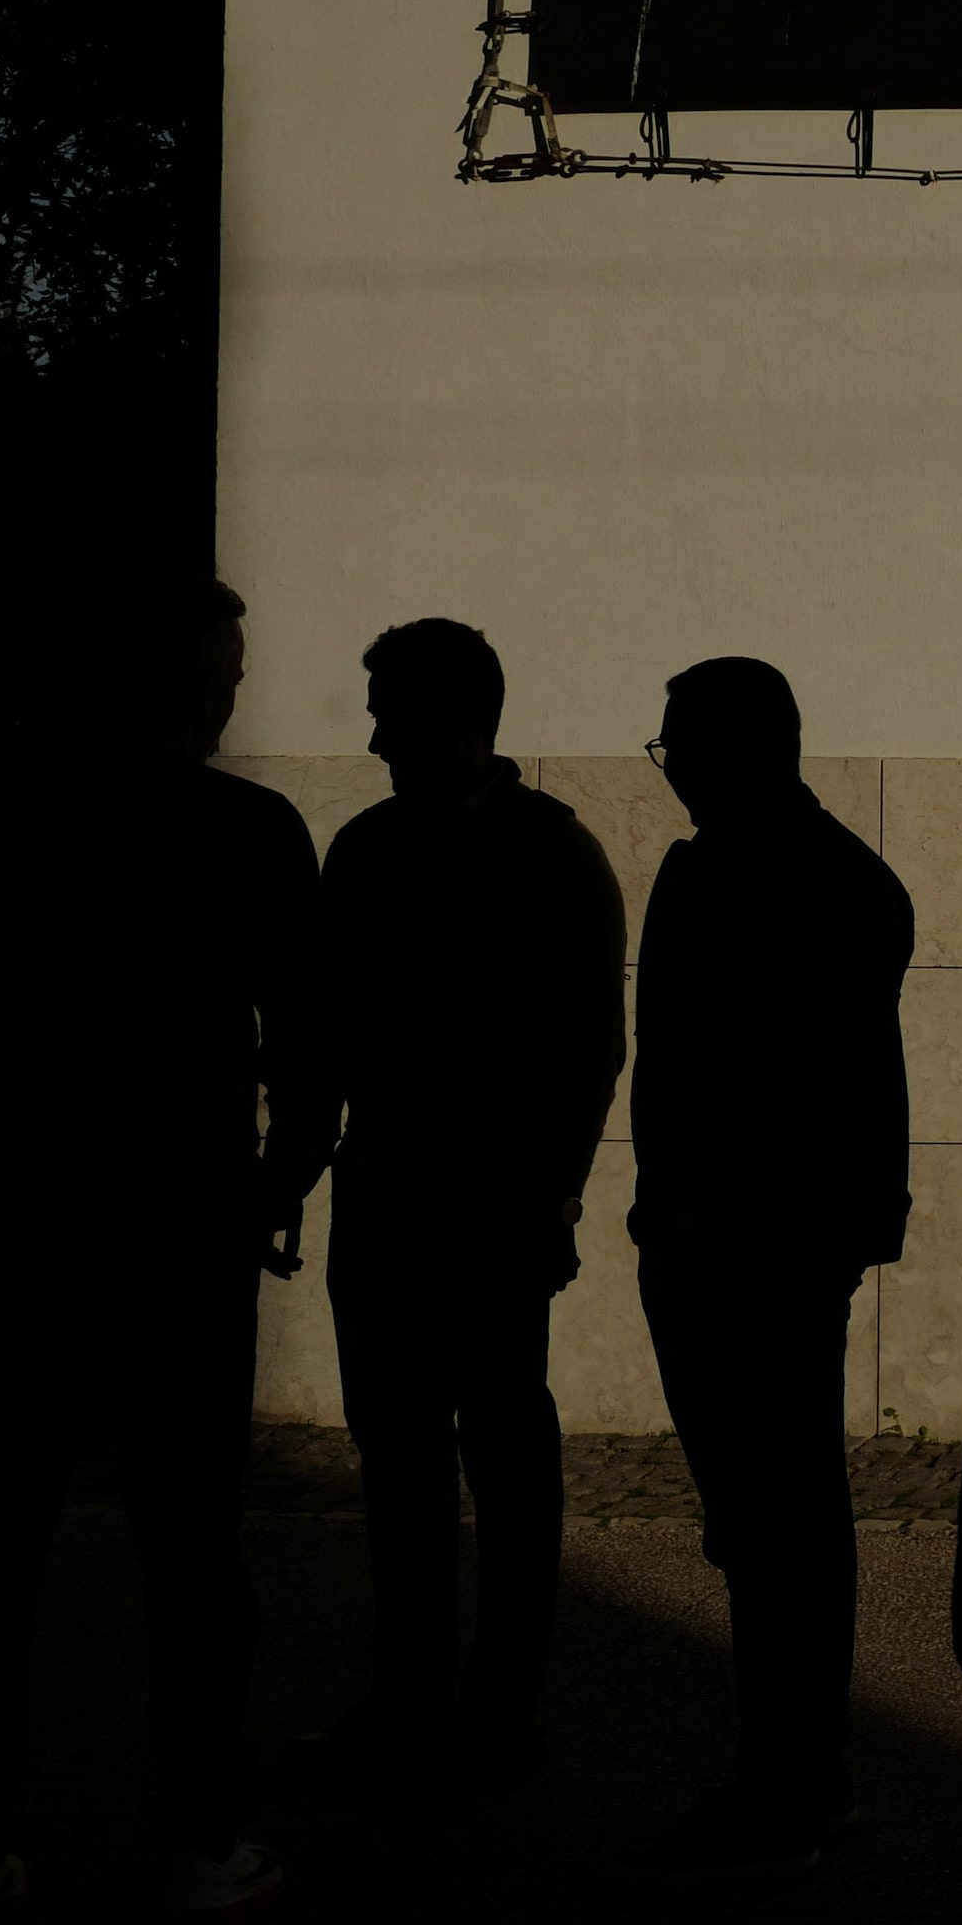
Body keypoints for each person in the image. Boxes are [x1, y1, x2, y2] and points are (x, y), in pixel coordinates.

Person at [0, 581, 325, 1925]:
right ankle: (201, 1832)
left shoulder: (1, 820)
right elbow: (308, 1033)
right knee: (193, 1550)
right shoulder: (247, 830)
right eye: (226, 672)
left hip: (19, 1224)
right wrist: (278, 1177)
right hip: (182, 1225)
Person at [304, 616, 624, 1795]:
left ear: (458, 717)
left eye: (393, 712)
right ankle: (433, 1695)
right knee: (417, 1450)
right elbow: (329, 1028)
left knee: (484, 1446)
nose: (377, 737)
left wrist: (549, 1196)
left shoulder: (536, 852)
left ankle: (488, 1698)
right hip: (409, 1189)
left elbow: (588, 1049)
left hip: (475, 1196)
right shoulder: (397, 846)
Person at [617, 655, 913, 1880]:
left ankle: (792, 1772)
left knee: (775, 1512)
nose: (671, 768)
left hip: (753, 1237)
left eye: (679, 746)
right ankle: (787, 1765)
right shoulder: (816, 875)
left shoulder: (790, 880)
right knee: (769, 1512)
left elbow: (797, 1076)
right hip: (742, 1233)